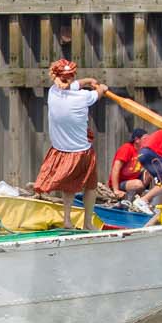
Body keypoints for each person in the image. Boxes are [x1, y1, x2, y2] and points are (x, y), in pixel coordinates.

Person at [33, 58, 106, 225]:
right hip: (81, 152)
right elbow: (99, 92)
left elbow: (71, 85)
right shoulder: (84, 97)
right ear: (71, 76)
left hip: (60, 150)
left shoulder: (53, 92)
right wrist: (101, 87)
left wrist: (88, 81)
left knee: (69, 187)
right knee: (91, 186)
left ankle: (67, 220)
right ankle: (88, 223)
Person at [107, 128, 162, 213]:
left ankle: (144, 199)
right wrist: (116, 189)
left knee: (152, 172)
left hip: (134, 179)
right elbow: (115, 169)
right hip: (121, 182)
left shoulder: (144, 151)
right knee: (138, 184)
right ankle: (131, 201)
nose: (148, 141)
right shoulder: (126, 148)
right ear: (137, 140)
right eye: (145, 139)